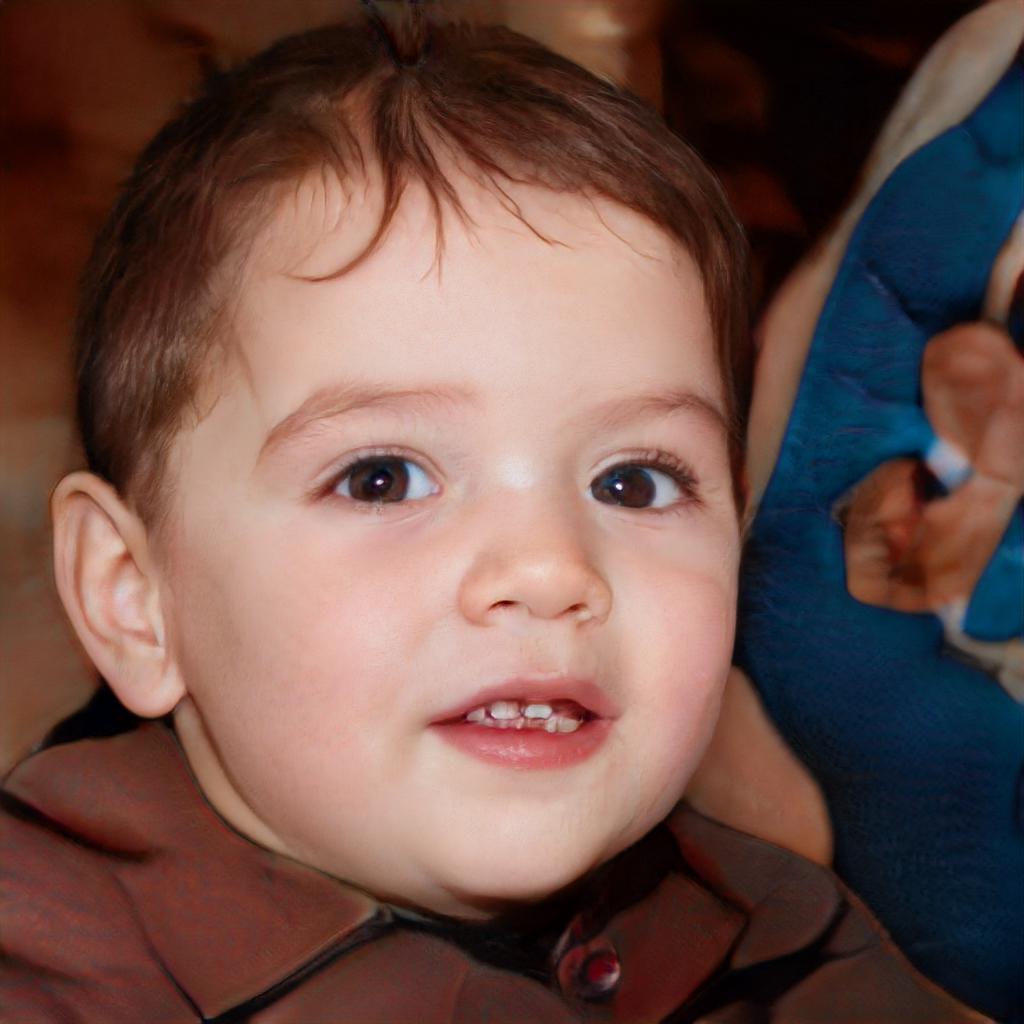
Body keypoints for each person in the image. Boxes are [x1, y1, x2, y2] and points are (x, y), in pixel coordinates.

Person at [0, 7, 989, 1021]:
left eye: (633, 483)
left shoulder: (785, 937)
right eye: (383, 478)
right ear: (134, 599)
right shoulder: (47, 966)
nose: (551, 568)